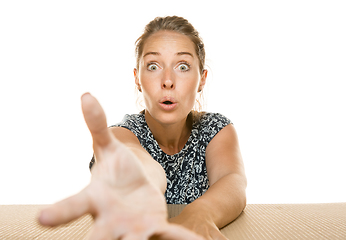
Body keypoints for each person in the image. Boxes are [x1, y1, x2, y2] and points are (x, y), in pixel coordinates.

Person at [38, 16, 247, 240]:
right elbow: (136, 161)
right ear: (138, 78)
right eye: (153, 66)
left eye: (183, 66)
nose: (168, 80)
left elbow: (232, 180)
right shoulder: (121, 133)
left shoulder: (215, 129)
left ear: (202, 79)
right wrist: (138, 183)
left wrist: (200, 214)